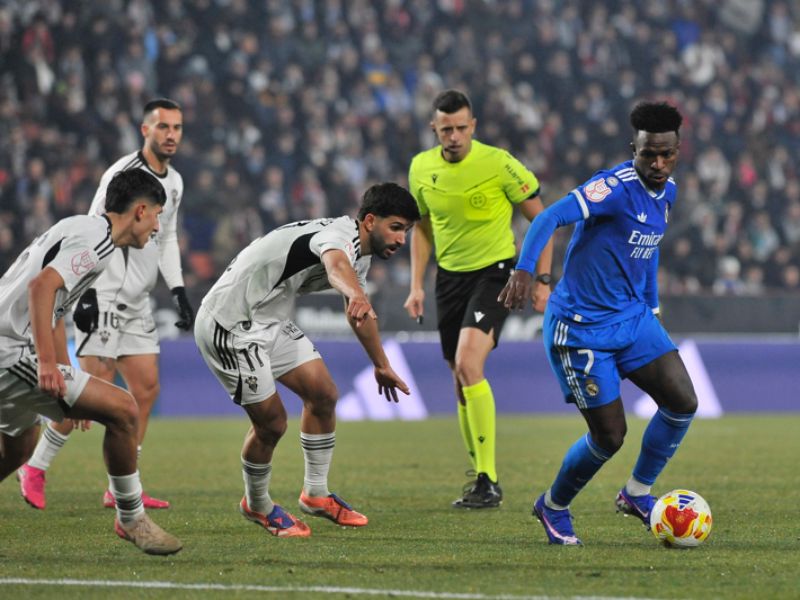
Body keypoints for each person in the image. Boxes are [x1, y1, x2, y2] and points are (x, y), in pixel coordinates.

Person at [499, 101, 698, 545]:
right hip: (581, 327)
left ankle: (636, 493)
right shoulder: (612, 188)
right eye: (649, 154)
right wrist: (524, 270)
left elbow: (648, 249)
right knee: (610, 436)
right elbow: (549, 217)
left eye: (666, 154)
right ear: (634, 149)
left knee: (682, 401)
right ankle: (553, 505)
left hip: (632, 318)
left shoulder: (668, 192)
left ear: (678, 150)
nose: (658, 164)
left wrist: (652, 307)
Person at [194, 182, 420, 537]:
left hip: (269, 318)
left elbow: (357, 312)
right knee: (272, 424)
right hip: (230, 324)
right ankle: (257, 504)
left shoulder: (362, 255)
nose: (401, 239)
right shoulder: (339, 237)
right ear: (370, 221)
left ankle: (316, 494)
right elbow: (335, 266)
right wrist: (355, 292)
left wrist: (381, 364)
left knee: (323, 395)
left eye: (406, 231)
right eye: (396, 227)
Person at [18, 98, 193, 511]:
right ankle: (35, 467)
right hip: (106, 293)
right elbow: (98, 228)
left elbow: (167, 237)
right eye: (163, 126)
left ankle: (121, 483)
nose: (171, 134)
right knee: (88, 390)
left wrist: (178, 289)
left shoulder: (175, 182)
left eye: (177, 127)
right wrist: (90, 295)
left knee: (146, 388)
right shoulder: (122, 174)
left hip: (139, 299)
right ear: (145, 130)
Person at [0, 169, 182, 555]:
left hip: (13, 347)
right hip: (8, 349)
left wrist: (67, 375)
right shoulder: (97, 240)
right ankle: (130, 517)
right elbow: (40, 287)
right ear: (140, 211)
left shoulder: (84, 230)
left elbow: (54, 309)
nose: (157, 227)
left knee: (19, 448)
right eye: (157, 215)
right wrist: (48, 365)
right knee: (124, 409)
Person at [403, 90, 553, 509]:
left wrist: (541, 278)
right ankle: (479, 477)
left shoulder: (499, 163)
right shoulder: (420, 168)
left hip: (496, 274)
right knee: (458, 375)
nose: (454, 136)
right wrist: (416, 285)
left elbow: (543, 219)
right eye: (445, 129)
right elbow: (422, 228)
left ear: (473, 127)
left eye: (460, 128)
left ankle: (489, 479)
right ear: (434, 129)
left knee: (469, 364)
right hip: (449, 278)